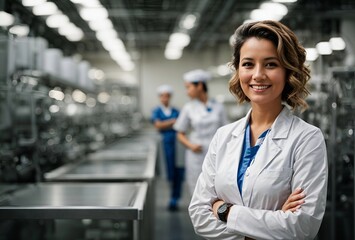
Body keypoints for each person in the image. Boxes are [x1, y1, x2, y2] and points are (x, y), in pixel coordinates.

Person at [189, 20, 328, 239]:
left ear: (287, 71)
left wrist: (223, 210)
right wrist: (270, 223)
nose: (258, 75)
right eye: (248, 64)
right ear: (238, 70)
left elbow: (302, 227)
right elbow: (198, 215)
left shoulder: (307, 138)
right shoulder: (224, 136)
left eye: (271, 64)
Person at [173, 69, 229, 194]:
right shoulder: (188, 108)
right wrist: (191, 146)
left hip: (215, 152)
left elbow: (227, 130)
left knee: (216, 186)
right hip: (195, 153)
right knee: (196, 185)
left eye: (189, 87)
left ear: (199, 85)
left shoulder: (218, 107)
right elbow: (179, 133)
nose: (187, 92)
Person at [151, 84, 184, 211]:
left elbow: (181, 125)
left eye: (167, 96)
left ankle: (175, 198)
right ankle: (168, 197)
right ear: (159, 97)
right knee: (166, 171)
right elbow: (158, 125)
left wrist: (166, 124)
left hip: (177, 144)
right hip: (164, 145)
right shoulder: (156, 111)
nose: (165, 99)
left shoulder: (176, 110)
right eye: (162, 96)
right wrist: (172, 122)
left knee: (178, 171)